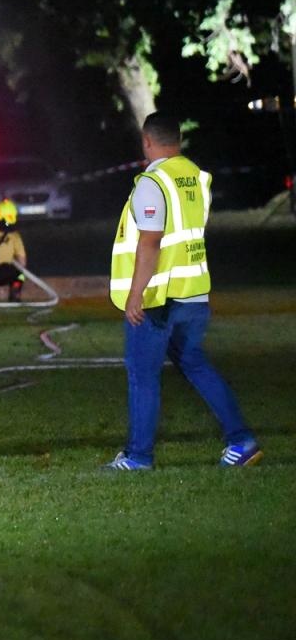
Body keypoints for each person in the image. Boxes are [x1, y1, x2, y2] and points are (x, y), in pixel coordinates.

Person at [107, 112, 261, 469]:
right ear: (177, 139)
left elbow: (151, 242)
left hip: (159, 299)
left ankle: (138, 457)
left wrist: (136, 294)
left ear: (147, 141)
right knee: (194, 362)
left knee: (142, 374)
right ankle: (242, 441)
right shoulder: (196, 177)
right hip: (194, 293)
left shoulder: (153, 182)